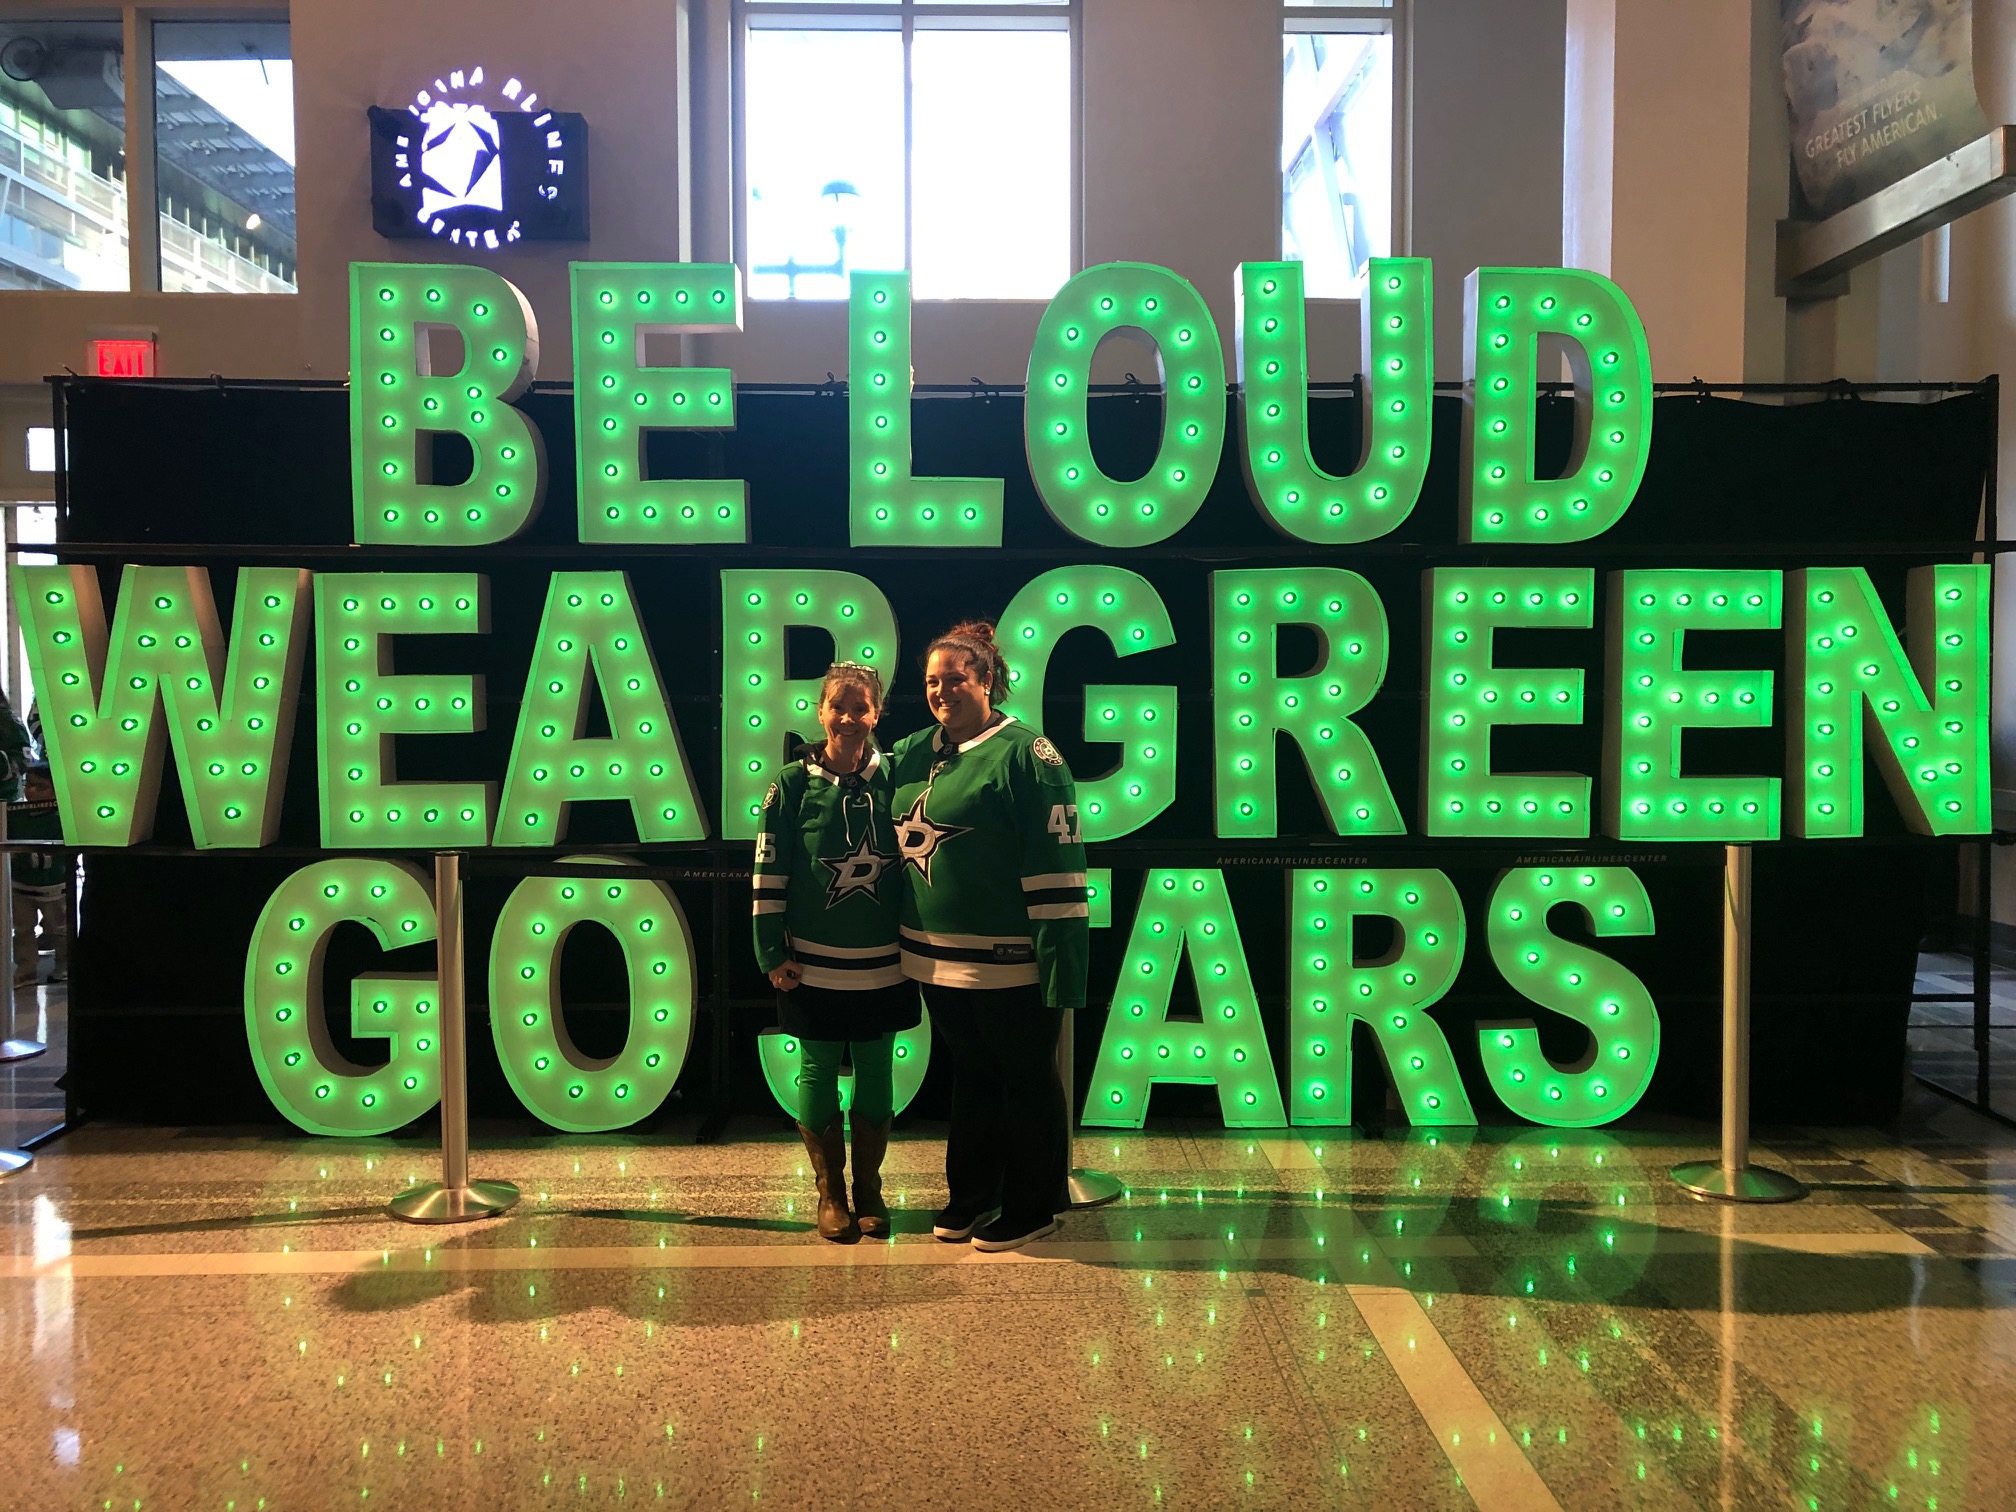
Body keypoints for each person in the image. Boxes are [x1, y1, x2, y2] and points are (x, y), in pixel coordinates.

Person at [887, 621, 1089, 1253]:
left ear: (988, 680)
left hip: (1012, 962)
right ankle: (973, 1195)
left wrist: (1062, 966)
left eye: (955, 679)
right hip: (936, 961)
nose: (941, 691)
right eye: (932, 681)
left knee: (1027, 1079)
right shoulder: (914, 751)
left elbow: (1059, 869)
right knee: (972, 1075)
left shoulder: (1029, 756)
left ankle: (1033, 1205)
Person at [751, 660, 916, 1243]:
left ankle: (869, 1189)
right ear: (820, 711)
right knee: (817, 1068)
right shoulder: (791, 783)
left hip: (884, 960)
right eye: (837, 707)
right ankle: (830, 1193)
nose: (848, 718)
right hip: (812, 961)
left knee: (876, 1066)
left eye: (860, 707)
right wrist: (769, 951)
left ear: (877, 713)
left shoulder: (896, 777)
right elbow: (769, 869)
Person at [11, 763, 64, 989]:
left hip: (55, 885)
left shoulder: (63, 817)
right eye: (28, 784)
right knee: (22, 930)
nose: (31, 791)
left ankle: (64, 967)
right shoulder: (14, 814)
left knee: (59, 930)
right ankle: (26, 970)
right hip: (21, 885)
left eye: (40, 787)